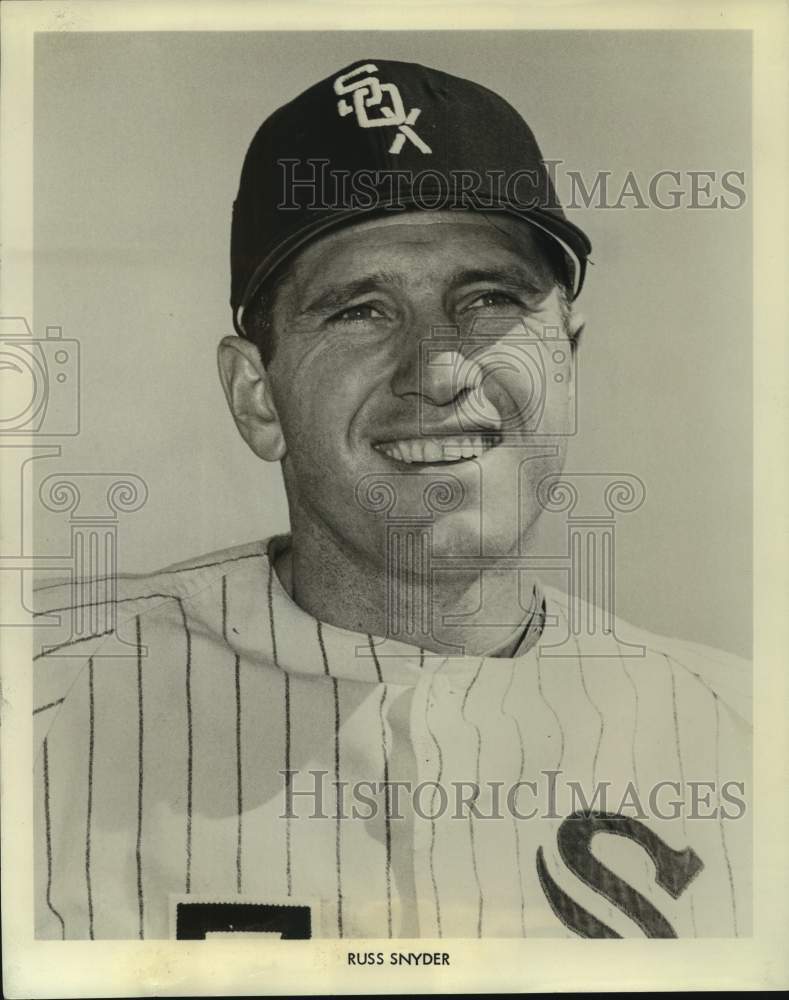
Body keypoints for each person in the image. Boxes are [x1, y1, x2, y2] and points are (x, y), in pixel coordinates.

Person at [33, 58, 751, 941]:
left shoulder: (745, 738)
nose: (440, 371)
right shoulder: (39, 716)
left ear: (569, 360)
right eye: (360, 311)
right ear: (258, 395)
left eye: (489, 299)